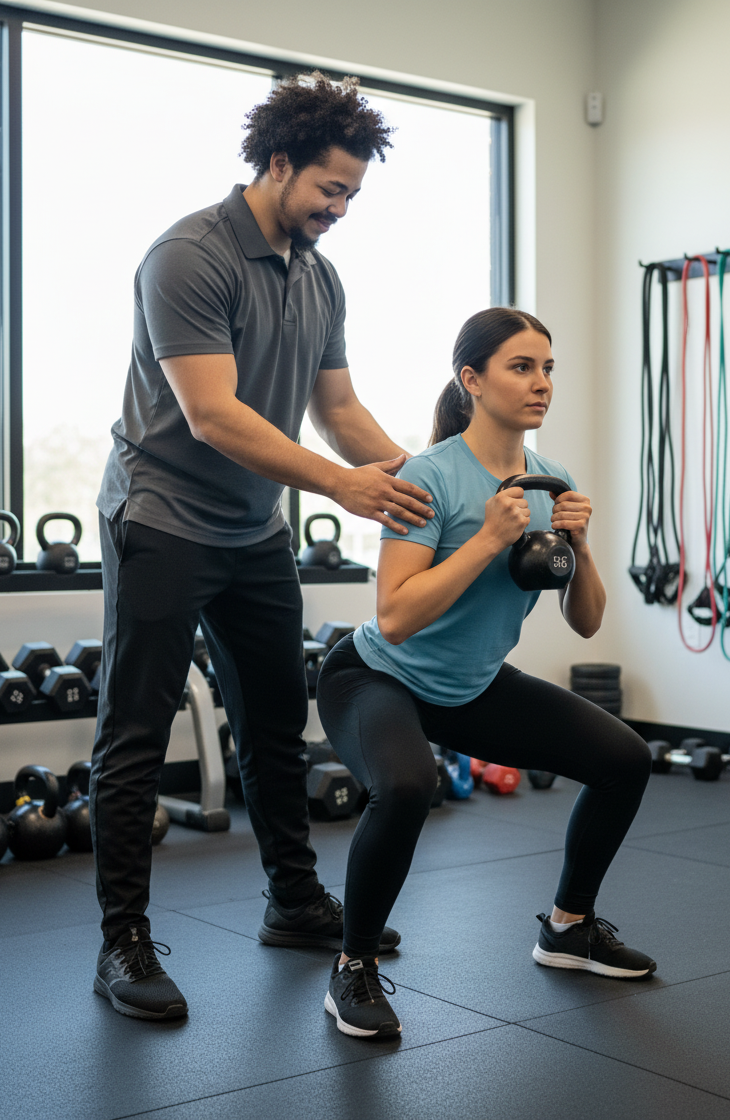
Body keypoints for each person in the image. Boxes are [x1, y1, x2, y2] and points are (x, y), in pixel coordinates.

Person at [91, 73, 435, 1021]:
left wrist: (427, 480)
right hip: (161, 519)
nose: (340, 210)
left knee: (277, 725)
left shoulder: (319, 276)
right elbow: (212, 415)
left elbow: (339, 411)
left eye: (352, 196)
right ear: (277, 164)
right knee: (134, 733)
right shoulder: (188, 256)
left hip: (254, 532)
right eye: (330, 189)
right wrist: (341, 486)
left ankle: (293, 899)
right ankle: (121, 942)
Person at [315, 307, 656, 1039]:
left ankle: (569, 926)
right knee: (407, 785)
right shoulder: (426, 478)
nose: (541, 384)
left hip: (469, 685)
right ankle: (353, 967)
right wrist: (488, 540)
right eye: (522, 367)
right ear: (472, 379)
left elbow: (587, 619)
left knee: (625, 759)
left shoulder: (550, 480)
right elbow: (398, 616)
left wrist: (582, 545)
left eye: (548, 368)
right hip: (378, 676)